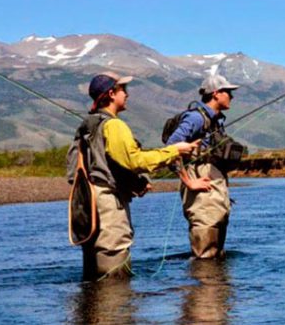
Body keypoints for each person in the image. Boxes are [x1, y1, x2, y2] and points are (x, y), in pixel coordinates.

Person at [70, 71, 198, 281]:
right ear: (111, 94)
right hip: (108, 203)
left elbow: (106, 165)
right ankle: (116, 312)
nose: (127, 94)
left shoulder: (88, 125)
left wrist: (134, 184)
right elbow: (135, 161)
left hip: (87, 201)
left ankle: (93, 312)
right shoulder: (114, 125)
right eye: (123, 89)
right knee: (114, 266)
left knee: (94, 267)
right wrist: (175, 150)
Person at [166, 73, 239, 259]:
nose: (232, 96)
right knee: (205, 253)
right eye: (228, 92)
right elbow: (170, 148)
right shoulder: (196, 118)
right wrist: (188, 182)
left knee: (216, 251)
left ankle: (218, 287)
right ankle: (204, 287)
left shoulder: (215, 121)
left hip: (214, 188)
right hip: (200, 189)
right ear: (216, 94)